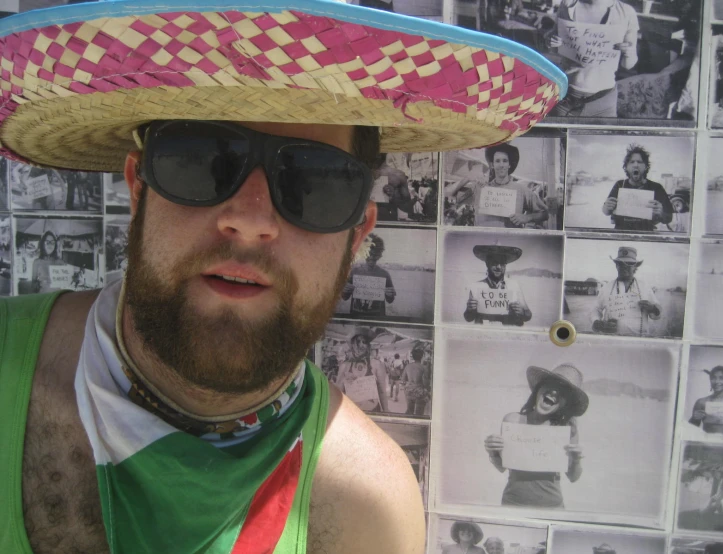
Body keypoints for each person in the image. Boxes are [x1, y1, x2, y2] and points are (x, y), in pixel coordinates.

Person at [0, 0, 563, 552]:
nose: (249, 221)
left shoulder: (367, 514)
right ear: (139, 187)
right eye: (202, 160)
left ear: (357, 233)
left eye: (315, 182)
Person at [484, 363, 589, 508]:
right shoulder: (512, 421)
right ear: (539, 388)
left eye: (562, 391)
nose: (554, 392)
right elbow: (502, 467)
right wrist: (492, 451)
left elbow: (573, 477)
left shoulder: (567, 429)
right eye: (551, 385)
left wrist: (576, 459)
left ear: (566, 404)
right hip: (513, 504)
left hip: (552, 508)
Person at [547, 0, 639, 118]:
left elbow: (628, 65)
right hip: (567, 97)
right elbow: (555, 49)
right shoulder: (568, 5)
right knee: (558, 136)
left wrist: (629, 53)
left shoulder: (626, 12)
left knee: (598, 137)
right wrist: (551, 41)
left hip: (603, 102)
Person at [444, 144, 548, 228]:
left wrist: (527, 217)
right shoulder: (480, 188)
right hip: (483, 243)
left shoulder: (520, 189)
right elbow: (448, 194)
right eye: (497, 161)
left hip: (509, 244)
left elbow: (545, 213)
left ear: (509, 165)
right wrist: (468, 178)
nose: (501, 165)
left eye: (505, 161)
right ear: (492, 165)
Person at [591, 246, 662, 337]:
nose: (624, 267)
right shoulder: (606, 287)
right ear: (616, 266)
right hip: (611, 339)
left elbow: (657, 314)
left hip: (639, 340)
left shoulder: (645, 287)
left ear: (635, 267)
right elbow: (595, 309)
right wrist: (597, 322)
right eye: (621, 264)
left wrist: (653, 308)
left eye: (629, 264)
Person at [601, 144, 673, 232]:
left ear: (646, 166)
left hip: (646, 236)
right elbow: (606, 212)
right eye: (631, 162)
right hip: (621, 234)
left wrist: (661, 213)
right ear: (626, 167)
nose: (636, 165)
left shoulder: (656, 187)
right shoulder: (620, 185)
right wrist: (607, 207)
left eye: (640, 162)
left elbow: (669, 218)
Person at [464, 244, 533, 326]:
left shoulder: (514, 285)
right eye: (494, 263)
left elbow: (528, 315)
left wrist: (522, 313)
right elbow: (468, 318)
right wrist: (470, 310)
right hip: (484, 334)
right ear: (487, 264)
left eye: (502, 263)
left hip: (507, 334)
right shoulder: (476, 287)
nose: (498, 267)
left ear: (505, 266)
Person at [341, 233, 396, 318]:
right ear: (363, 252)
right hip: (356, 317)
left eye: (375, 255)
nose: (371, 257)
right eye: (369, 254)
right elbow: (345, 297)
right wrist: (345, 290)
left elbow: (390, 300)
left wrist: (390, 294)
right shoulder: (354, 272)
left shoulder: (385, 274)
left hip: (377, 318)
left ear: (380, 255)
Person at [335, 327, 389, 413]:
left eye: (364, 342)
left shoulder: (376, 364)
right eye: (357, 342)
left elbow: (382, 391)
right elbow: (338, 392)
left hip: (373, 411)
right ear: (352, 345)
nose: (360, 345)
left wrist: (386, 411)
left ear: (368, 345)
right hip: (351, 413)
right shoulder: (345, 366)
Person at [690, 366, 723, 438]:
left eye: (721, 378)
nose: (717, 381)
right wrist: (694, 418)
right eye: (713, 378)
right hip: (708, 445)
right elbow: (691, 429)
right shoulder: (702, 402)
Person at [371, 153, 412, 221]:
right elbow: (407, 205)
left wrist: (393, 196)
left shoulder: (398, 175)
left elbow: (407, 205)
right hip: (386, 217)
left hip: (382, 217)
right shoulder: (399, 175)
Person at [400, 343, 431, 416]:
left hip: (409, 391)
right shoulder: (424, 367)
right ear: (422, 357)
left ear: (413, 357)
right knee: (419, 412)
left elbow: (403, 379)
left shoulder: (408, 366)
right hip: (419, 392)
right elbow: (426, 383)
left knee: (410, 410)